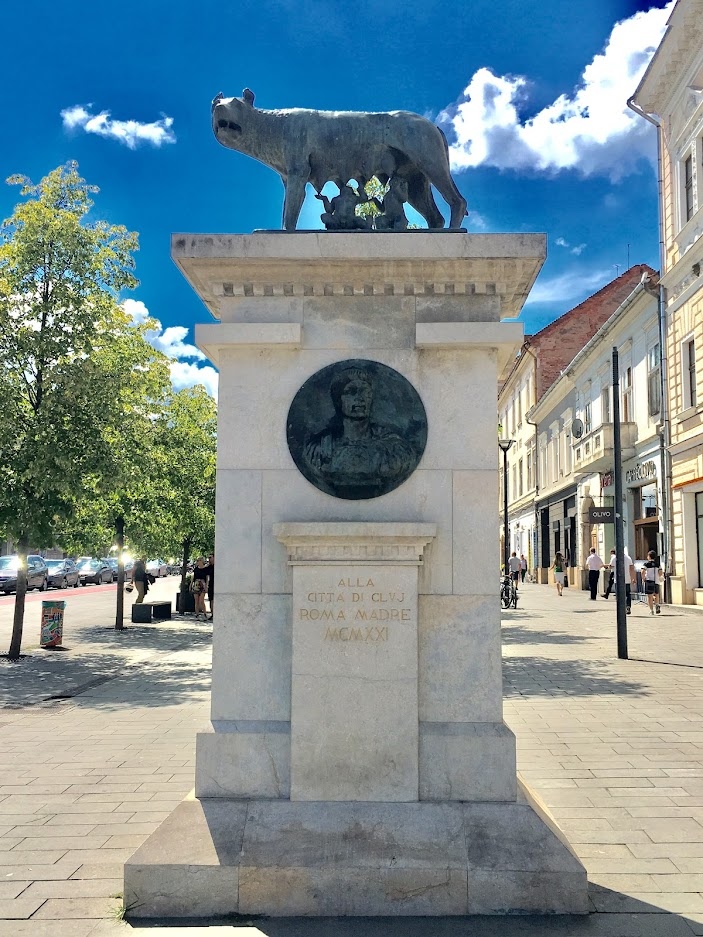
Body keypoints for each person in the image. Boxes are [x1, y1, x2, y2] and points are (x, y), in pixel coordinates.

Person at [303, 367, 417, 499]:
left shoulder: (395, 449)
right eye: (351, 391)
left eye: (365, 391)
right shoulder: (319, 448)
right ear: (338, 400)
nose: (360, 398)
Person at [642, 550, 662, 615]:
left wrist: (643, 578)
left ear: (649, 557)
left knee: (650, 596)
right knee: (656, 594)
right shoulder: (658, 564)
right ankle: (657, 604)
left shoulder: (646, 564)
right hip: (656, 581)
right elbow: (660, 573)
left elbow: (642, 571)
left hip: (649, 580)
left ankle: (651, 610)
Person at [191, 557, 210, 622]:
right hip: (196, 584)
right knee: (196, 601)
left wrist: (206, 586)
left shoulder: (205, 569)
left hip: (203, 584)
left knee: (201, 600)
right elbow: (193, 577)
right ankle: (197, 614)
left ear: (201, 561)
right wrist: (191, 585)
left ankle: (205, 614)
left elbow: (207, 578)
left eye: (198, 560)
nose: (197, 562)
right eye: (197, 560)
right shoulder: (196, 569)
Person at [204, 552, 215, 621]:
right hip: (211, 585)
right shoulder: (208, 567)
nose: (209, 559)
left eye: (210, 557)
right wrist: (206, 586)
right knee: (211, 600)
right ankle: (212, 614)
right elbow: (206, 576)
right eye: (209, 558)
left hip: (218, 585)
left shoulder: (218, 567)